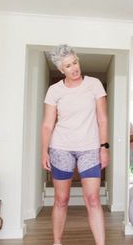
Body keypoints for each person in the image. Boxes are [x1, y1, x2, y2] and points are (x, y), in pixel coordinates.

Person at [41, 44, 109, 245]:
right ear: (62, 70)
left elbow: (103, 119)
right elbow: (47, 124)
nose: (74, 68)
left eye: (75, 62)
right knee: (61, 200)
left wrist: (104, 148)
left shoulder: (94, 84)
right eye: (68, 66)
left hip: (89, 148)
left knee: (93, 199)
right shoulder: (54, 91)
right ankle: (57, 242)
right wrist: (44, 151)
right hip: (60, 148)